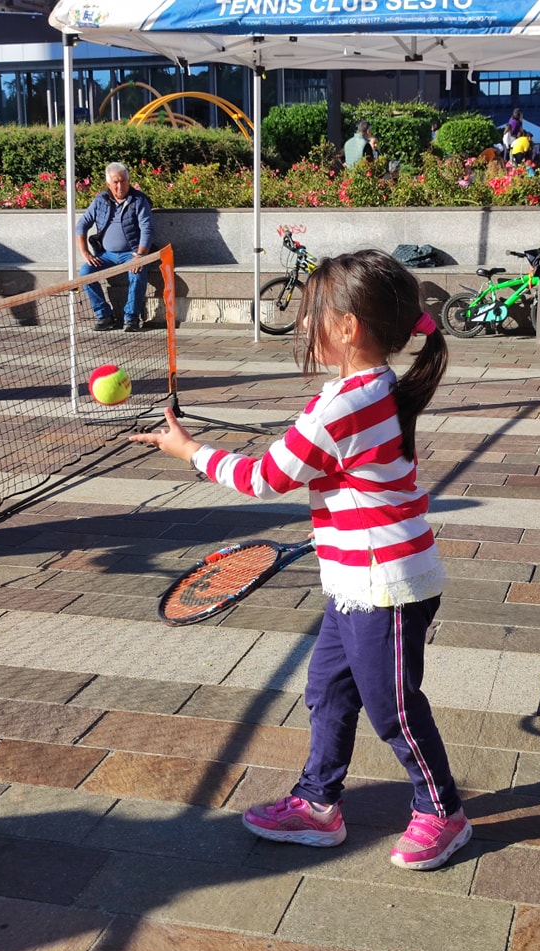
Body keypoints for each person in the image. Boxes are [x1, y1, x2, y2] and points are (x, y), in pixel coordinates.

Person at [129, 250, 472, 872]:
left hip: (385, 585)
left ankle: (442, 811)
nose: (302, 323)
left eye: (312, 312)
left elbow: (267, 476)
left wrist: (187, 450)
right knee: (328, 690)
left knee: (393, 707)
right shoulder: (368, 389)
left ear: (347, 328)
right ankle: (318, 803)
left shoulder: (344, 405)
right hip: (356, 579)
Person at [76, 162, 154, 332]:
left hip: (133, 253)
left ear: (129, 180)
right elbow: (81, 226)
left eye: (123, 181)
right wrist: (85, 253)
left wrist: (140, 256)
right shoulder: (100, 201)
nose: (120, 186)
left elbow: (147, 229)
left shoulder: (139, 200)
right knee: (84, 273)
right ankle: (104, 316)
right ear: (108, 184)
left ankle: (131, 318)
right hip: (106, 254)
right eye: (116, 182)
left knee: (138, 272)